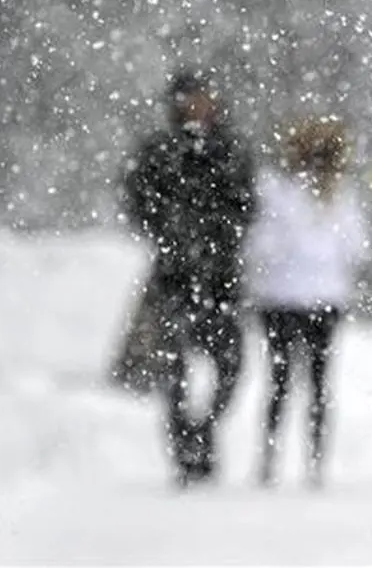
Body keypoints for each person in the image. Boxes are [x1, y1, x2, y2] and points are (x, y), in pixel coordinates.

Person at [121, 68, 257, 487]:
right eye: (188, 99)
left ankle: (203, 433)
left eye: (202, 97)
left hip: (221, 278)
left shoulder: (230, 150)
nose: (196, 106)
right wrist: (174, 233)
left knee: (230, 367)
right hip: (174, 276)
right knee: (172, 369)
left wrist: (215, 232)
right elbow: (138, 205)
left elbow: (246, 207)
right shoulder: (158, 151)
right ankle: (185, 445)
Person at [246, 117, 369, 488]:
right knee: (284, 382)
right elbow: (260, 246)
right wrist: (294, 236)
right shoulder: (277, 192)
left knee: (313, 383)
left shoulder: (341, 198)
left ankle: (313, 460)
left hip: (322, 299)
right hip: (283, 299)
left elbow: (358, 247)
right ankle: (272, 458)